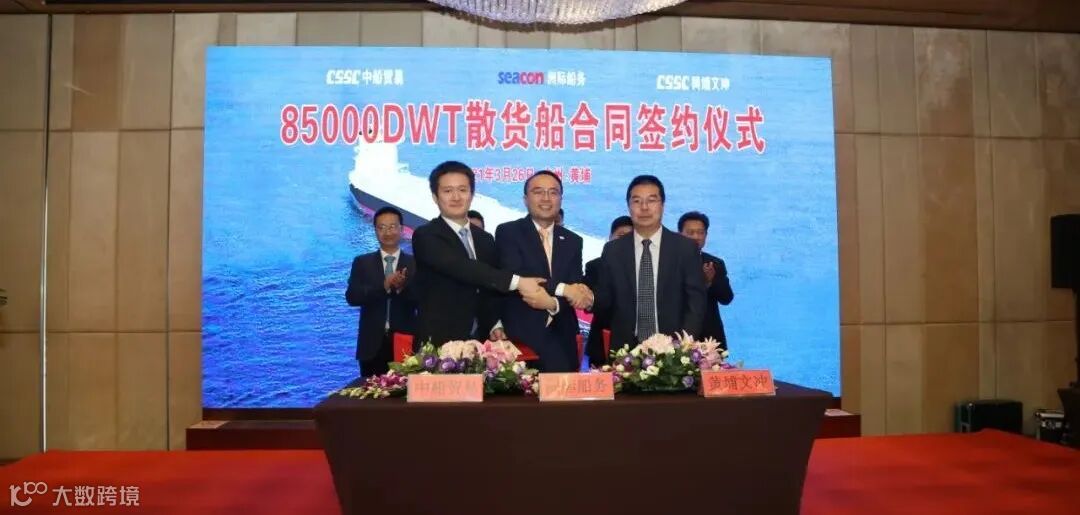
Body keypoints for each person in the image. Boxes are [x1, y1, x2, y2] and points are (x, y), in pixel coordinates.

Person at [411, 160, 546, 348]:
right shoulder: (426, 235)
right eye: (448, 191)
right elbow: (463, 268)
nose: (456, 197)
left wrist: (494, 323)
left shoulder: (485, 239)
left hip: (482, 342)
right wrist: (518, 282)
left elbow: (487, 289)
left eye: (462, 190)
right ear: (435, 197)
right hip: (438, 343)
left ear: (472, 194)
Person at [591, 175, 706, 350]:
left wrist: (684, 346)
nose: (644, 207)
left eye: (651, 200)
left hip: (674, 351)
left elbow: (696, 303)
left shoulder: (685, 248)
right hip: (626, 352)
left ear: (662, 205)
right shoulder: (613, 250)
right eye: (637, 201)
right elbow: (605, 300)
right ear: (629, 207)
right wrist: (587, 298)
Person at [493, 171, 591, 372]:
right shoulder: (508, 232)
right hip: (519, 338)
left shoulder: (573, 240)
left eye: (553, 192)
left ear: (560, 199)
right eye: (538, 192)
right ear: (525, 199)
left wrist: (553, 303)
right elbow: (518, 275)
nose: (546, 198)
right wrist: (563, 289)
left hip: (562, 338)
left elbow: (575, 284)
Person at [345, 206, 418, 376]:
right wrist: (384, 286)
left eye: (392, 227)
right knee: (371, 391)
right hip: (371, 347)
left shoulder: (415, 264)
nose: (387, 232)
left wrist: (400, 288)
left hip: (406, 343)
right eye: (382, 227)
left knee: (405, 391)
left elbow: (423, 300)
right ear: (375, 231)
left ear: (401, 229)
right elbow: (352, 297)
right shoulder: (362, 263)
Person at [678, 211, 735, 348]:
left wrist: (710, 282)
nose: (696, 237)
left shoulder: (715, 263)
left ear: (706, 235)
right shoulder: (668, 262)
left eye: (700, 232)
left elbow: (726, 298)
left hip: (710, 338)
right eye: (690, 232)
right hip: (677, 336)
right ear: (679, 235)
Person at [583, 216, 633, 364]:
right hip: (602, 340)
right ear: (610, 237)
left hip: (635, 343)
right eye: (621, 236)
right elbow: (591, 303)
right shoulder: (595, 266)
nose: (624, 242)